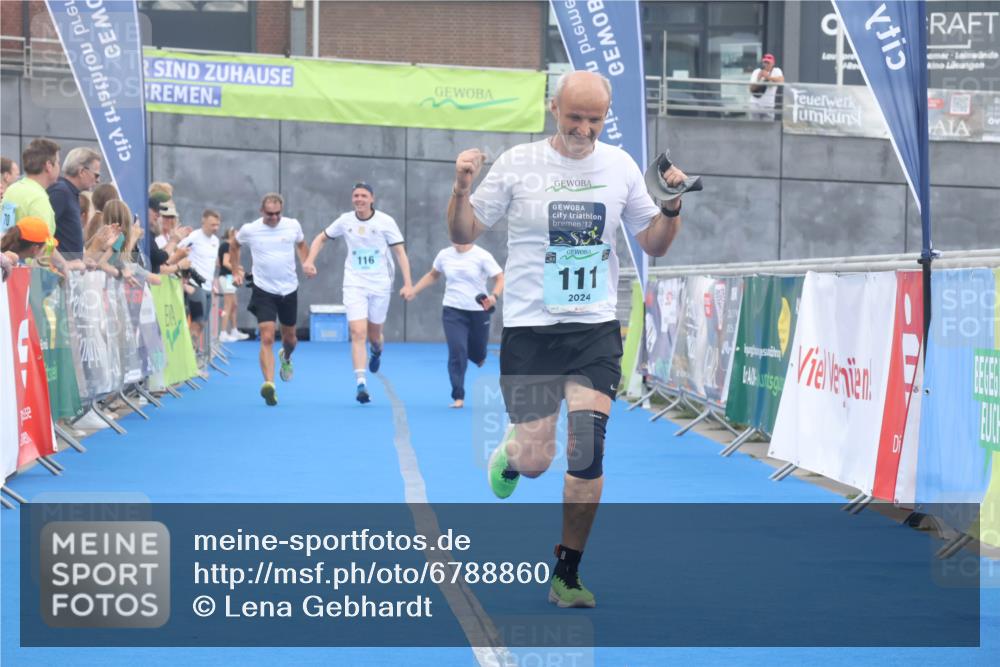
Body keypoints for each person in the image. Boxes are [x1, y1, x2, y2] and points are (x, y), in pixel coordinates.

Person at [447, 70, 686, 608]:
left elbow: (655, 244)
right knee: (536, 460)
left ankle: (567, 573)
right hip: (531, 331)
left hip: (594, 329)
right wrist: (460, 189)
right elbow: (464, 233)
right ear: (554, 108)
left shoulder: (620, 166)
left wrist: (672, 205)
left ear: (606, 117)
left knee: (587, 446)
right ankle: (510, 454)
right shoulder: (517, 163)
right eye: (574, 117)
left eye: (594, 119)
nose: (583, 129)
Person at [303, 182, 414, 404]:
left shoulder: (385, 221)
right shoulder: (345, 220)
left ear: (372, 199)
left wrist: (408, 284)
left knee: (374, 336)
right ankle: (361, 383)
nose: (359, 199)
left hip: (380, 283)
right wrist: (309, 260)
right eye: (356, 196)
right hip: (354, 282)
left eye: (364, 196)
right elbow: (321, 238)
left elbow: (400, 253)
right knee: (357, 332)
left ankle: (377, 351)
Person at [230, 193, 308, 406]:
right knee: (266, 337)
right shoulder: (250, 229)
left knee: (290, 339)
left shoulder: (292, 225)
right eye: (269, 214)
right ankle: (269, 385)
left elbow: (301, 244)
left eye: (277, 214)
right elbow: (234, 244)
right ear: (261, 211)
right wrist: (236, 269)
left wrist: (306, 262)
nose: (273, 218)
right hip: (263, 289)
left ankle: (287, 357)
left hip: (289, 289)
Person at [408, 242, 504, 408]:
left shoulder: (482, 255)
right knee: (457, 350)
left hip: (478, 311)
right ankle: (458, 395)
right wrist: (414, 290)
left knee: (478, 353)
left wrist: (494, 296)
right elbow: (433, 275)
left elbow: (500, 277)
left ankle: (479, 357)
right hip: (453, 311)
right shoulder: (444, 254)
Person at [178, 209, 221, 349]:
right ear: (203, 222)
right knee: (196, 320)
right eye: (212, 225)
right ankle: (189, 355)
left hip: (208, 286)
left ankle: (192, 352)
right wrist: (184, 274)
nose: (215, 228)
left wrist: (213, 283)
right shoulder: (194, 236)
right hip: (194, 284)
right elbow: (177, 251)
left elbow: (211, 263)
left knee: (202, 322)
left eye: (217, 225)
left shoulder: (216, 240)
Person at [48, 147, 101, 259]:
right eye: (96, 175)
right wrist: (63, 264)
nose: (98, 180)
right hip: (57, 273)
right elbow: (44, 233)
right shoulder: (61, 192)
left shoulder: (69, 193)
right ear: (82, 172)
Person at [217, 227, 248, 341]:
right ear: (231, 234)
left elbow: (218, 263)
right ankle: (223, 333)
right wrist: (237, 269)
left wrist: (236, 268)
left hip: (230, 277)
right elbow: (224, 263)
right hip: (227, 277)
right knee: (227, 305)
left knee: (234, 305)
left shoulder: (231, 247)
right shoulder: (226, 246)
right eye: (237, 233)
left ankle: (234, 331)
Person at [749, 53, 784, 121]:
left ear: (773, 63)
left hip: (769, 105)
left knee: (768, 128)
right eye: (765, 62)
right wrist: (759, 78)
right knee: (754, 127)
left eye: (768, 62)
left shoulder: (776, 71)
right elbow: (751, 89)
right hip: (755, 104)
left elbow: (781, 80)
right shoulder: (756, 72)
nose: (766, 64)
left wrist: (768, 77)